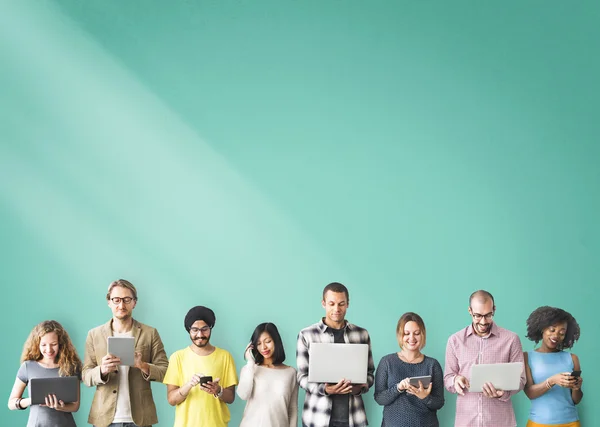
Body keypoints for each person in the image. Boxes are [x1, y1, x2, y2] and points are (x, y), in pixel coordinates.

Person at [82, 279, 169, 427]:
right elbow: (86, 375)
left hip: (140, 418)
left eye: (126, 300)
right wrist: (102, 370)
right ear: (109, 302)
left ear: (134, 302)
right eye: (116, 300)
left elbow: (166, 371)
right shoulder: (94, 335)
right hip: (104, 417)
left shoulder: (150, 333)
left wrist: (142, 366)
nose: (121, 305)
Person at [296, 282, 374, 427]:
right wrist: (325, 389)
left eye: (341, 304)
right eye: (331, 304)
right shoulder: (307, 335)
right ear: (323, 303)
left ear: (347, 304)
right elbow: (301, 376)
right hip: (317, 418)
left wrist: (360, 387)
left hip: (353, 418)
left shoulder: (362, 334)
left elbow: (369, 373)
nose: (336, 309)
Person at [443, 290, 526, 427]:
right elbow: (448, 378)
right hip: (466, 422)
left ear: (494, 309)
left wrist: (503, 393)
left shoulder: (511, 339)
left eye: (488, 315)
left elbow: (521, 380)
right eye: (477, 316)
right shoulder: (455, 340)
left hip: (500, 422)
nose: (483, 321)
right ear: (470, 311)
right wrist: (456, 380)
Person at [164, 305, 238, 427]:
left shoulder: (225, 356)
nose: (200, 334)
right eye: (195, 330)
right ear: (189, 330)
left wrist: (218, 390)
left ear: (211, 328)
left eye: (204, 329)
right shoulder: (177, 357)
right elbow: (172, 400)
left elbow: (230, 398)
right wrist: (188, 385)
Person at [374, 312, 444, 426]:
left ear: (422, 335)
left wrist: (425, 397)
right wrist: (398, 388)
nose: (412, 338)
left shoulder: (432, 364)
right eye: (406, 333)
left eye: (416, 333)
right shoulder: (387, 362)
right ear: (400, 335)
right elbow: (379, 398)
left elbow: (439, 403)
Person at [8, 320, 82, 427]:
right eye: (43, 345)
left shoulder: (71, 367)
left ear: (61, 343)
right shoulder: (28, 367)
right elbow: (11, 404)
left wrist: (59, 407)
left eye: (54, 344)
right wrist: (31, 400)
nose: (49, 349)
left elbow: (75, 406)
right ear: (37, 344)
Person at [523, 306, 583, 427]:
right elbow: (530, 392)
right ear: (542, 329)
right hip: (538, 423)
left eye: (562, 333)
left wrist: (577, 388)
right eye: (552, 330)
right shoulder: (527, 357)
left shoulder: (572, 358)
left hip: (570, 422)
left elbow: (576, 400)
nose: (556, 335)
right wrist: (552, 380)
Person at [237, 322, 298, 427]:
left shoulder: (290, 373)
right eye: (259, 343)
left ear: (276, 341)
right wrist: (250, 363)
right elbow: (243, 395)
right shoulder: (250, 369)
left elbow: (292, 409)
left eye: (268, 341)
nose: (263, 347)